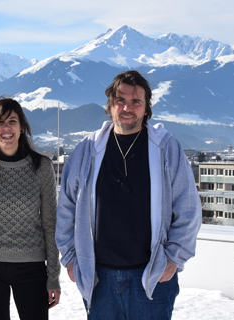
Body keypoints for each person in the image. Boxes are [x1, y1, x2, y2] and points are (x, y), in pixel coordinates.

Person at [55, 70, 202, 319]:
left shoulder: (166, 148)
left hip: (151, 277)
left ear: (146, 108)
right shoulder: (86, 150)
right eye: (120, 100)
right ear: (110, 105)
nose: (127, 107)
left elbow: (188, 208)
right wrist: (70, 258)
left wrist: (173, 259)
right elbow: (66, 207)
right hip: (98, 278)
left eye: (136, 102)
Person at [0, 97, 61, 319]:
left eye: (12, 121)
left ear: (22, 127)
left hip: (31, 266)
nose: (6, 128)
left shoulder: (41, 167)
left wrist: (53, 276)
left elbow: (50, 223)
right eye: (0, 122)